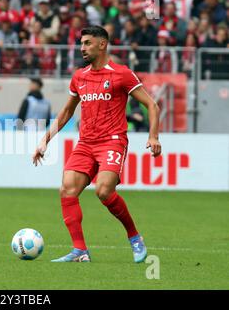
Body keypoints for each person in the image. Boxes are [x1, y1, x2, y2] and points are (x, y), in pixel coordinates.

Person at [32, 26, 161, 263]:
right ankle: (80, 251)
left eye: (87, 43)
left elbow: (152, 105)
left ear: (102, 44)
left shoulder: (122, 74)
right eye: (81, 43)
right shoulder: (80, 76)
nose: (82, 48)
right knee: (67, 189)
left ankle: (134, 237)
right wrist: (45, 140)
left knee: (103, 190)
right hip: (85, 143)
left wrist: (153, 136)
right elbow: (67, 111)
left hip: (112, 142)